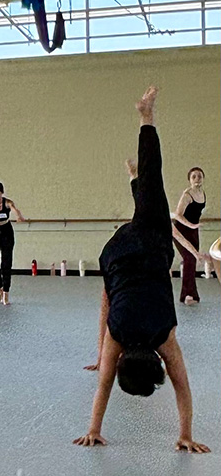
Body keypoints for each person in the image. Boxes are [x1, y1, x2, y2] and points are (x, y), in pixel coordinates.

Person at [73, 86, 210, 454]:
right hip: (114, 253)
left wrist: (185, 434)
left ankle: (145, 115)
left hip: (150, 242)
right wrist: (92, 427)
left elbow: (182, 386)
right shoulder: (115, 338)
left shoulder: (165, 336)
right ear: (120, 360)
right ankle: (135, 178)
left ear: (158, 362)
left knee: (154, 178)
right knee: (145, 190)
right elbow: (104, 380)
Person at [171, 167, 207, 304]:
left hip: (193, 230)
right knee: (189, 258)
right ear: (189, 180)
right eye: (194, 177)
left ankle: (192, 294)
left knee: (192, 261)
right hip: (180, 229)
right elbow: (178, 214)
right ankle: (186, 296)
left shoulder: (203, 193)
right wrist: (191, 225)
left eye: (199, 176)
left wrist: (194, 226)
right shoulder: (187, 194)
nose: (197, 179)